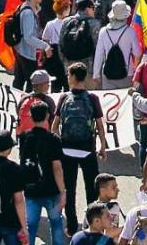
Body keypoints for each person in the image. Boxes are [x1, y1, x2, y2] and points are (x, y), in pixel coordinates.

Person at [56, 62, 109, 235]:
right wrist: (102, 145)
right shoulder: (92, 98)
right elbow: (100, 125)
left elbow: (55, 126)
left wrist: (58, 145)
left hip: (67, 151)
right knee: (91, 190)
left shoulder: (64, 98)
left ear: (72, 77)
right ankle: (91, 225)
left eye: (68, 75)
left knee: (69, 190)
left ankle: (71, 227)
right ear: (84, 77)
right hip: (87, 150)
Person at [22, 99, 68, 245]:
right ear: (48, 116)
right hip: (51, 189)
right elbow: (57, 167)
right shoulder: (53, 139)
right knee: (56, 224)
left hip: (31, 189)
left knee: (31, 226)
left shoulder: (24, 137)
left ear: (31, 115)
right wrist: (63, 191)